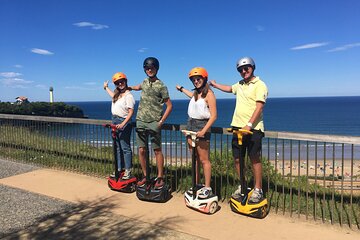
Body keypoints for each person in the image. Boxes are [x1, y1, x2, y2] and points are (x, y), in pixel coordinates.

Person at [210, 57, 268, 203]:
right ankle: (242, 185)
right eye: (240, 70)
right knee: (237, 159)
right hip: (237, 128)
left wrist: (249, 124)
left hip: (253, 129)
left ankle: (258, 189)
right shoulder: (240, 84)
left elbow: (259, 107)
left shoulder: (260, 85)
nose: (243, 71)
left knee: (254, 158)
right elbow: (230, 89)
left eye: (246, 68)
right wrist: (215, 85)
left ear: (252, 67)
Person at [129, 57, 172, 189]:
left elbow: (169, 106)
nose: (149, 70)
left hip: (154, 122)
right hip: (141, 120)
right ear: (144, 69)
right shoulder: (144, 81)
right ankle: (146, 175)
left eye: (152, 68)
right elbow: (138, 87)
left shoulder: (162, 85)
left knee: (157, 150)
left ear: (156, 69)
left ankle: (160, 177)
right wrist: (128, 87)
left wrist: (161, 121)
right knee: (141, 150)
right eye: (147, 68)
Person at [176, 67, 217, 198]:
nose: (196, 81)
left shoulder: (209, 94)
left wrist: (203, 131)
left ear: (204, 79)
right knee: (194, 158)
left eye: (198, 79)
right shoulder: (195, 94)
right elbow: (190, 94)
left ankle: (207, 187)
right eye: (193, 80)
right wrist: (181, 89)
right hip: (190, 125)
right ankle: (196, 183)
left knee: (204, 160)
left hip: (202, 126)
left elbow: (214, 116)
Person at [103, 72, 135, 180]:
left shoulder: (128, 96)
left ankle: (128, 170)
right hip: (115, 120)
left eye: (122, 81)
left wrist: (123, 123)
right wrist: (105, 87)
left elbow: (131, 112)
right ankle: (119, 168)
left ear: (126, 81)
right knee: (117, 147)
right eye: (117, 83)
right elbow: (112, 95)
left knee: (125, 147)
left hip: (123, 121)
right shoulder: (117, 95)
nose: (120, 84)